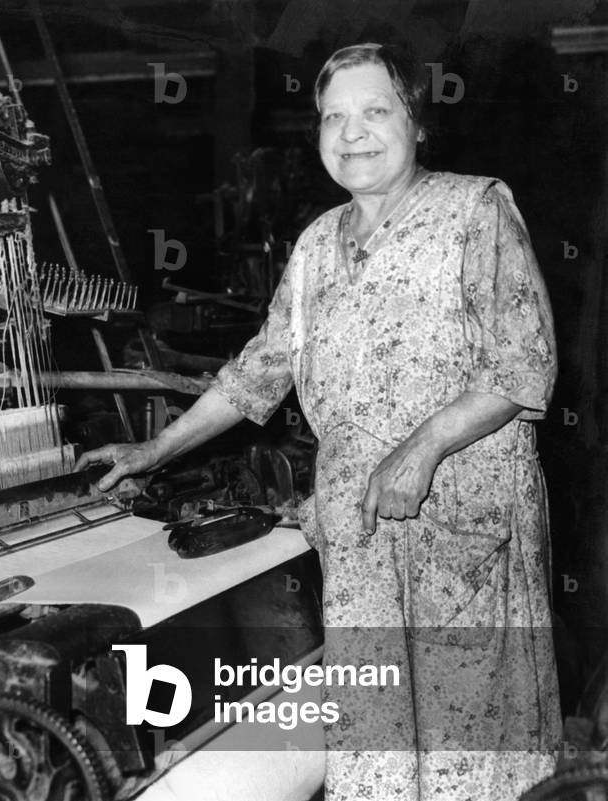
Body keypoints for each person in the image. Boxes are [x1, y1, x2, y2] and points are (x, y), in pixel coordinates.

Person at [78, 43, 561, 801]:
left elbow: (522, 363)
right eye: (333, 117)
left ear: (417, 124)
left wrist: (422, 447)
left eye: (374, 111)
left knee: (471, 744)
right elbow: (260, 368)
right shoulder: (312, 246)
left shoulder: (475, 211)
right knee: (375, 742)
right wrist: (155, 447)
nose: (351, 133)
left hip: (460, 522)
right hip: (360, 529)